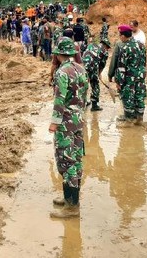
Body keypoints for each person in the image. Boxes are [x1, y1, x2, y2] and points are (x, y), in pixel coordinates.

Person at [49, 37, 89, 218]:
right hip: (79, 119)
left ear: (58, 54)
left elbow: (59, 99)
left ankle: (72, 207)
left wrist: (54, 122)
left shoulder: (62, 72)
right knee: (76, 158)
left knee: (66, 161)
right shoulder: (81, 69)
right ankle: (69, 199)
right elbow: (84, 94)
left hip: (65, 122)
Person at [111, 25, 147, 124]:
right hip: (140, 76)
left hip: (129, 77)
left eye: (120, 35)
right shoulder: (141, 45)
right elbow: (144, 62)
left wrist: (119, 82)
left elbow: (121, 68)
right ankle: (139, 118)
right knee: (139, 96)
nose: (119, 37)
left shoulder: (125, 48)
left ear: (123, 36)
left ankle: (129, 120)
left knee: (127, 97)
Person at [82, 37, 111, 111]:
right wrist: (99, 74)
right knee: (95, 84)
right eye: (107, 47)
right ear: (105, 45)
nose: (107, 49)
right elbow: (102, 65)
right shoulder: (105, 52)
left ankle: (83, 102)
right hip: (92, 67)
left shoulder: (91, 45)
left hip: (82, 66)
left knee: (83, 83)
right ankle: (94, 105)